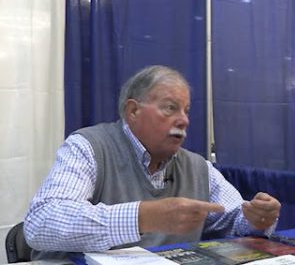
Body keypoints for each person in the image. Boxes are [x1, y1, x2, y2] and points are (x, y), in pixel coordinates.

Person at [24, 65, 281, 259]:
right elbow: (42, 222)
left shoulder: (197, 167)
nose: (184, 120)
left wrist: (257, 220)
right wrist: (142, 217)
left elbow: (233, 218)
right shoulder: (88, 146)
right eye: (170, 108)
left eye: (186, 111)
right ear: (133, 111)